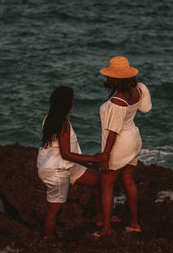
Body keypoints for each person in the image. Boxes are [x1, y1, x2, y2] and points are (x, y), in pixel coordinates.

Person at [37, 85, 108, 238]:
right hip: (56, 171)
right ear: (69, 103)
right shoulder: (63, 124)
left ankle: (100, 219)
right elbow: (66, 154)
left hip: (63, 166)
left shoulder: (49, 118)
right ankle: (47, 242)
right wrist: (94, 159)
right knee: (53, 213)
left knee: (97, 181)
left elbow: (63, 154)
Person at [96, 56, 152, 236]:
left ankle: (106, 229)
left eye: (109, 77)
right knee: (128, 180)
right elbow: (146, 108)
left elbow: (113, 131)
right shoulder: (139, 89)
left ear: (114, 79)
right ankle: (134, 223)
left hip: (120, 143)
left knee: (107, 183)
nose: (107, 79)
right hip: (134, 139)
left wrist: (105, 155)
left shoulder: (117, 101)